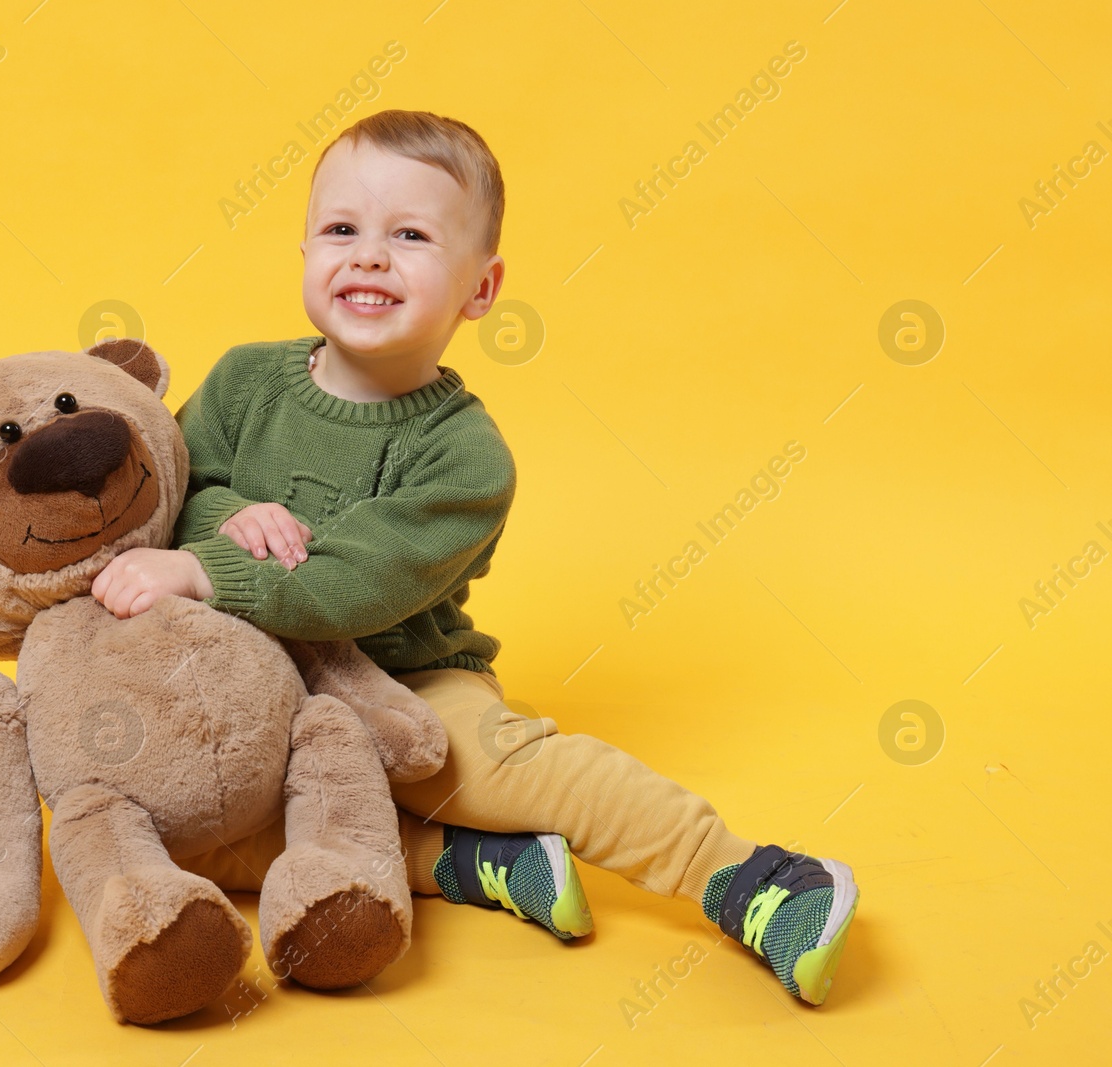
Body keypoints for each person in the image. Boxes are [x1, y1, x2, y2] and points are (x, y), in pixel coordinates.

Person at [88, 109, 857, 1005]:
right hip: (262, 689)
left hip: (411, 679)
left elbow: (357, 584)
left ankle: (746, 877)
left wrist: (216, 569)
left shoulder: (468, 456)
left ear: (481, 289)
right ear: (302, 251)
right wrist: (228, 513)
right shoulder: (242, 381)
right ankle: (464, 867)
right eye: (342, 230)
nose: (368, 256)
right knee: (187, 815)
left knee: (491, 770)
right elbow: (175, 496)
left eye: (409, 236)